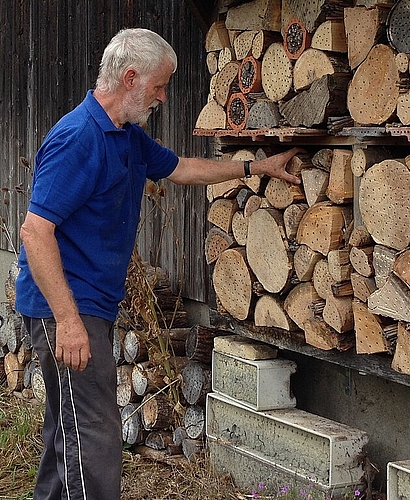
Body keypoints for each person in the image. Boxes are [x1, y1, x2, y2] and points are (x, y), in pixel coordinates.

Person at [15, 28, 301, 500]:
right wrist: (66, 321)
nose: (164, 97)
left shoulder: (126, 136)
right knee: (96, 436)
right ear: (130, 78)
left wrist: (253, 168)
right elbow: (34, 231)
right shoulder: (78, 138)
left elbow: (181, 169)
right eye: (159, 86)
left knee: (69, 429)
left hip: (88, 304)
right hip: (64, 305)